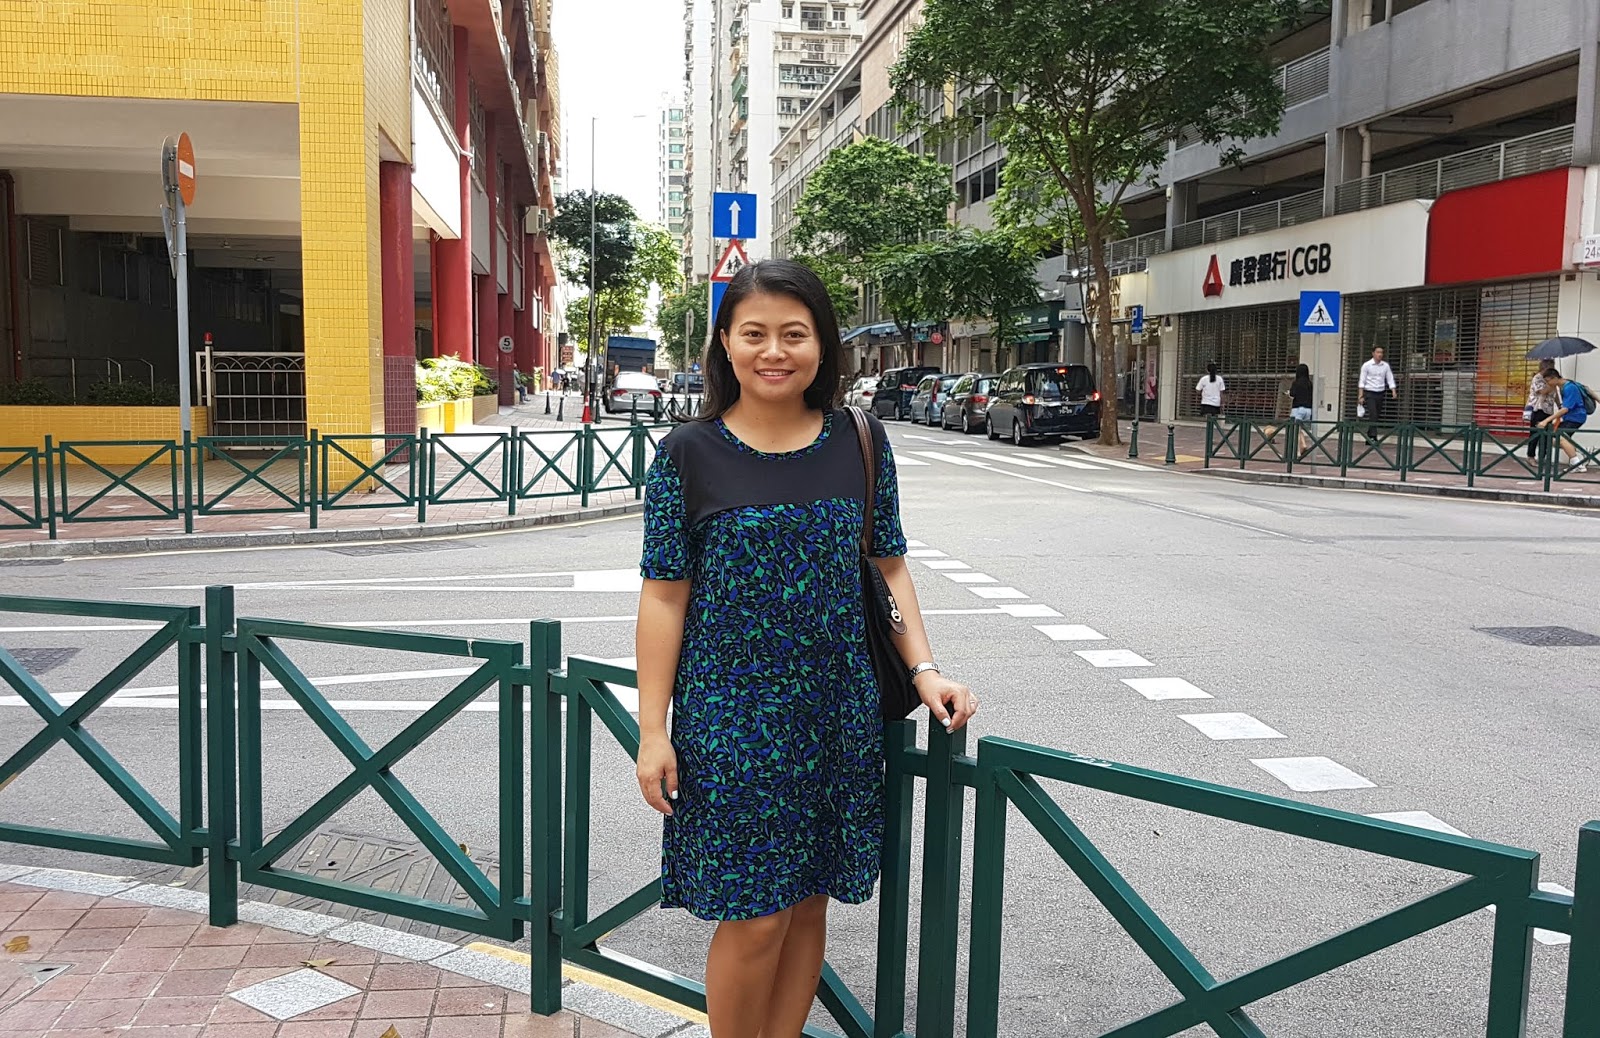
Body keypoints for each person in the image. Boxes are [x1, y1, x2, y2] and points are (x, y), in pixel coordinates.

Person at [633, 259, 976, 1038]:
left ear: (824, 344)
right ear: (725, 342)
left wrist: (924, 668)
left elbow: (886, 562)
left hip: (838, 712)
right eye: (754, 333)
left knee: (809, 900)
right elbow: (663, 594)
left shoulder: (860, 439)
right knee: (754, 918)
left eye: (795, 333)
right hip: (731, 719)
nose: (774, 351)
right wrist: (653, 729)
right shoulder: (688, 454)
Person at [1539, 369, 1590, 474]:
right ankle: (1580, 454)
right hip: (1571, 417)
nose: (1548, 384)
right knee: (1554, 439)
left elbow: (1565, 409)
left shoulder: (1569, 388)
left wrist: (1546, 420)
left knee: (1560, 438)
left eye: (1548, 381)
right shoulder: (1563, 386)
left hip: (1575, 417)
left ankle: (1578, 464)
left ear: (1554, 378)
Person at [1358, 346, 1397, 442]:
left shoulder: (1385, 366)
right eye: (1378, 352)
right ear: (1373, 353)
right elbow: (1362, 381)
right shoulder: (1367, 365)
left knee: (1376, 415)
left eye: (1381, 352)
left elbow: (1390, 378)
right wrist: (1360, 395)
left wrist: (1393, 390)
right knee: (1373, 414)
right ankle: (1373, 437)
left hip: (1380, 392)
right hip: (1369, 392)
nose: (1380, 354)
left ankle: (1369, 435)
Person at [1526, 363, 1560, 461]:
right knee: (1535, 433)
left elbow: (1555, 393)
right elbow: (1542, 391)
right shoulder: (1538, 378)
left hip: (1548, 410)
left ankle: (1543, 457)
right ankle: (1531, 456)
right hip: (1538, 409)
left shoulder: (1551, 380)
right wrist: (1551, 384)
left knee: (1546, 436)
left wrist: (1559, 405)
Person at [1288, 363, 1314, 460]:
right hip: (1308, 409)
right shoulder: (1310, 383)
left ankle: (1300, 448)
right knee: (1300, 429)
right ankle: (1301, 446)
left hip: (1298, 409)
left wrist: (1289, 393)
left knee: (1295, 430)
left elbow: (1292, 394)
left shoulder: (1296, 383)